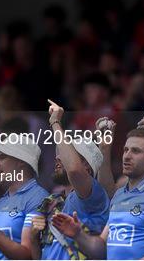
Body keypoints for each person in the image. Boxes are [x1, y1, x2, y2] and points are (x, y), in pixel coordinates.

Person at [49, 128, 144, 260]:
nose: (127, 156)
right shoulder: (119, 196)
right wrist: (78, 234)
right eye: (125, 150)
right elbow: (101, 249)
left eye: (136, 151)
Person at [28, 100, 110, 260]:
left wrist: (55, 122)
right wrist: (32, 238)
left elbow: (74, 169)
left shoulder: (93, 195)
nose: (58, 157)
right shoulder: (52, 202)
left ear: (86, 167)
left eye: (67, 154)